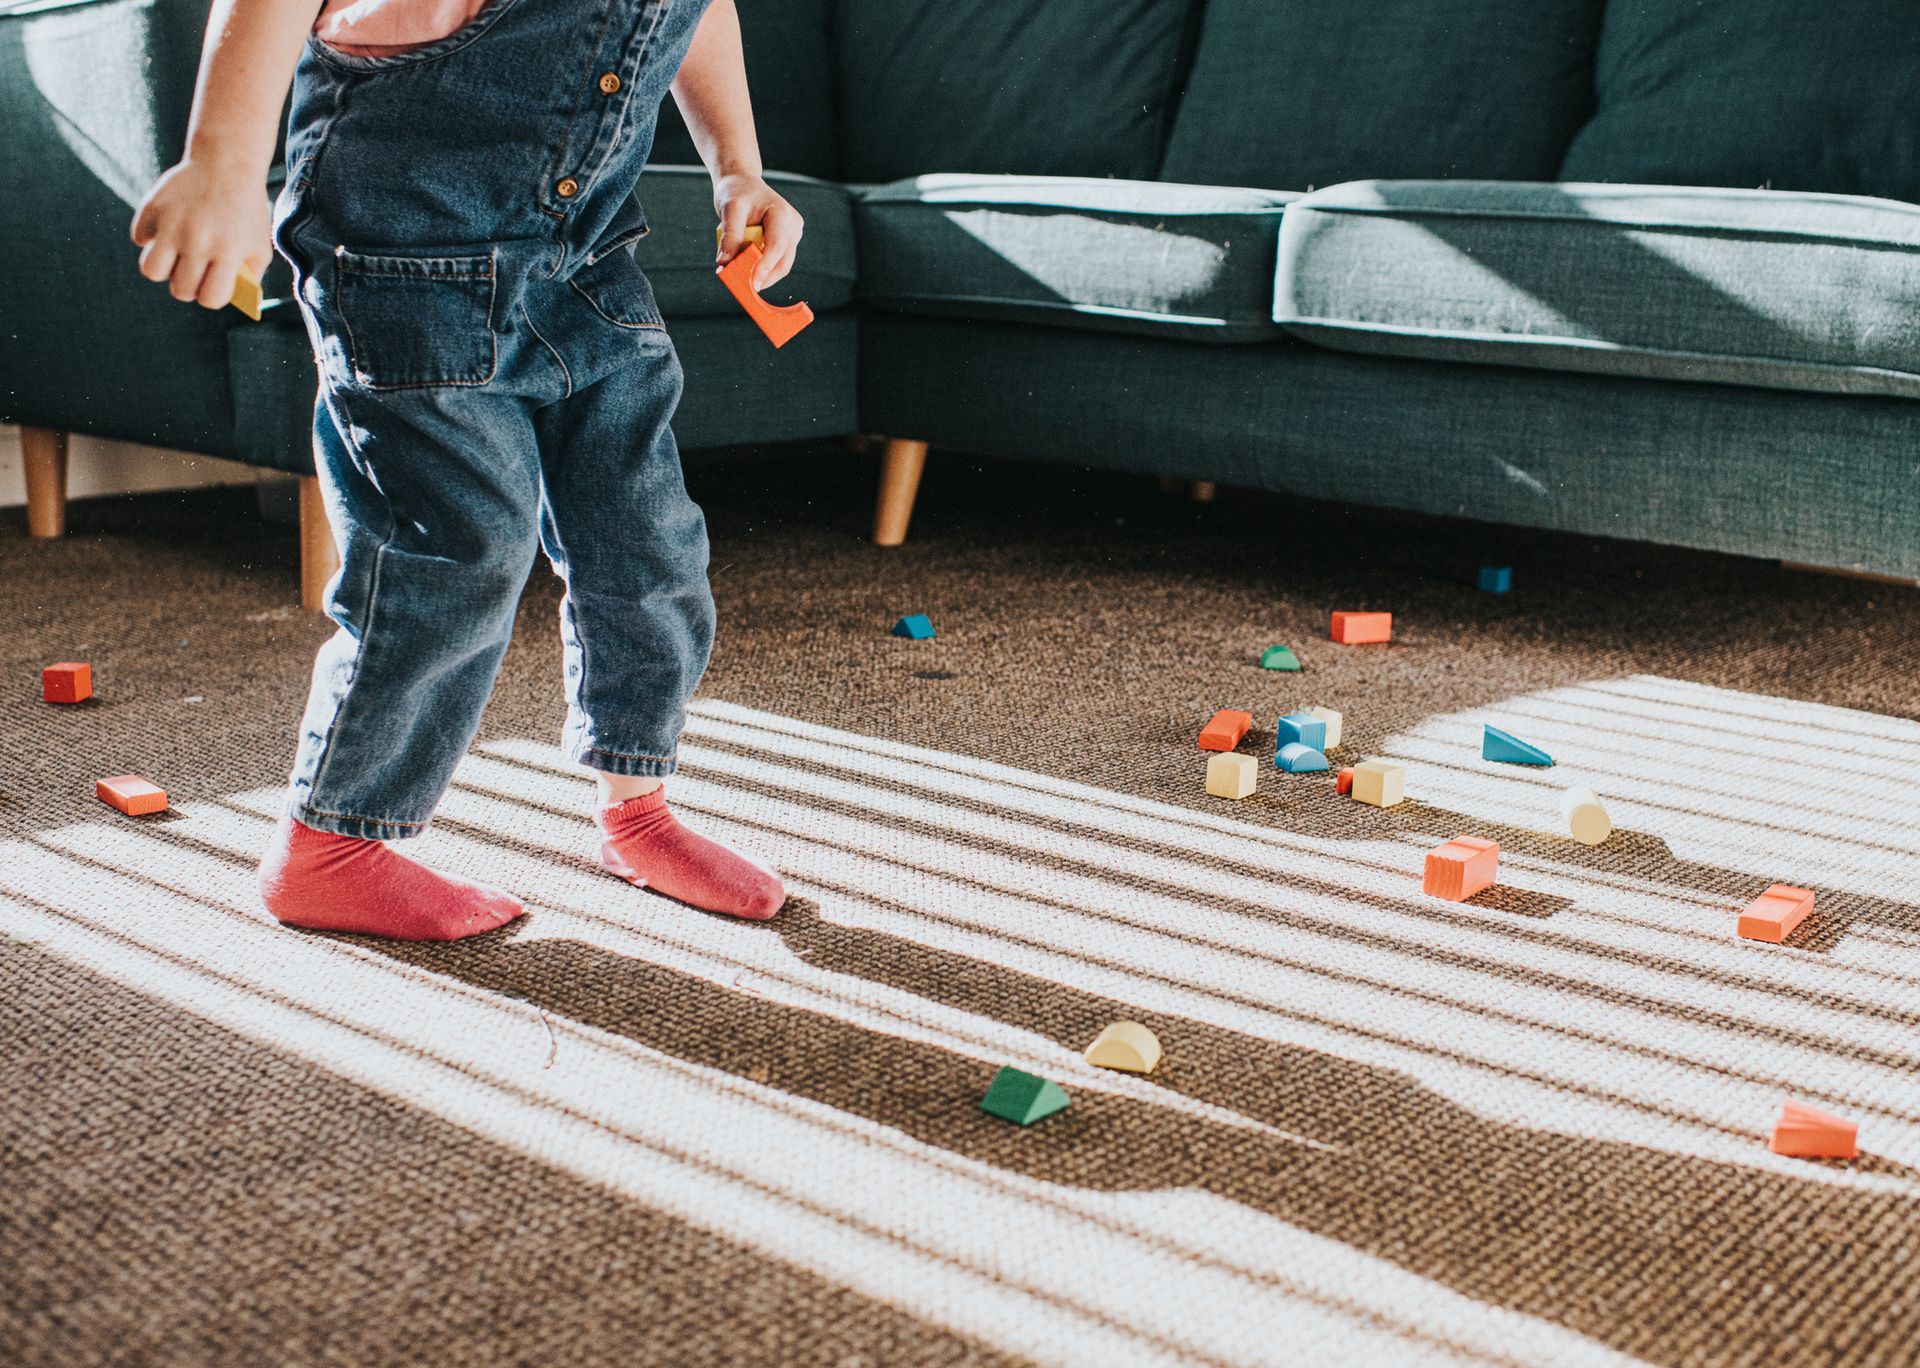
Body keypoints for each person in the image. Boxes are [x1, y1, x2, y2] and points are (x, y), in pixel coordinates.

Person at [130, 0, 794, 938]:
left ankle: (635, 806)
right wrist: (224, 163)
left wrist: (739, 169)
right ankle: (329, 843)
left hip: (587, 264)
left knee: (648, 541)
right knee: (455, 555)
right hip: (408, 263)